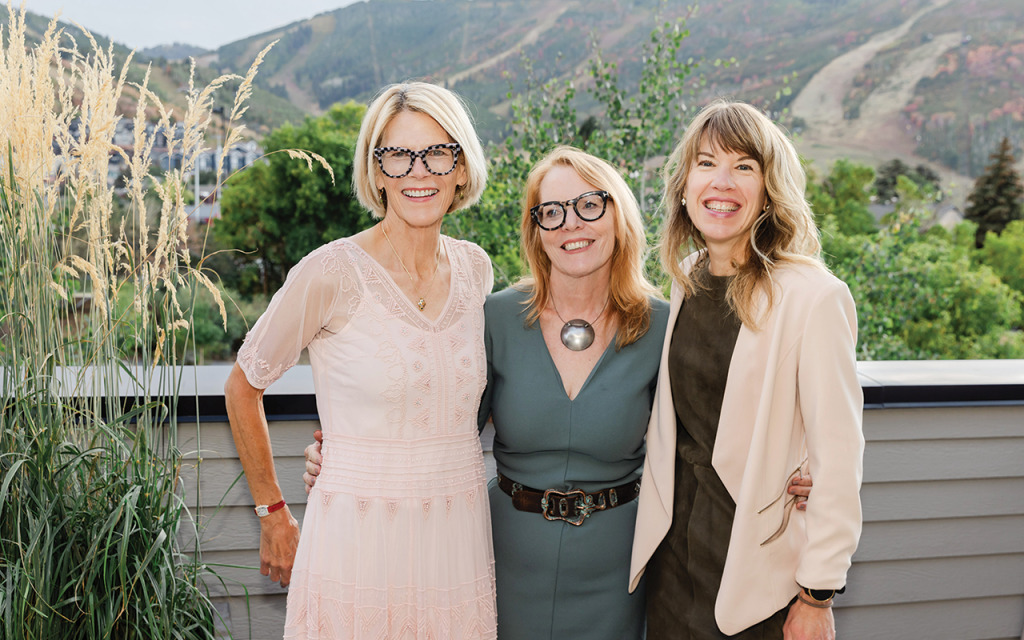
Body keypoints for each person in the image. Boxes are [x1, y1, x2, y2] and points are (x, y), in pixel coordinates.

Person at [304, 146, 816, 639]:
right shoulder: (494, 317)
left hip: (619, 570)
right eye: (551, 212)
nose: (572, 223)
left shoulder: (665, 325)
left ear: (618, 216)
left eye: (590, 205)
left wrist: (797, 465)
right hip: (501, 560)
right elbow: (440, 420)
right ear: (536, 230)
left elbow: (714, 430)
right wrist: (351, 451)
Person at [225, 82, 497, 639]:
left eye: (437, 152)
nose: (418, 172)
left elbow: (457, 396)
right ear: (375, 173)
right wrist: (272, 512)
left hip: (457, 533)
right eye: (397, 155)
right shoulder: (331, 273)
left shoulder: (477, 270)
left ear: (461, 169)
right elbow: (242, 386)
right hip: (358, 538)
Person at [629, 101, 864, 640]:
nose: (723, 182)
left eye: (744, 166)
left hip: (760, 572)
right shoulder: (686, 278)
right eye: (707, 163)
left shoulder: (813, 296)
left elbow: (839, 456)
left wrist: (817, 594)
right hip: (673, 559)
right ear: (684, 186)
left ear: (768, 190)